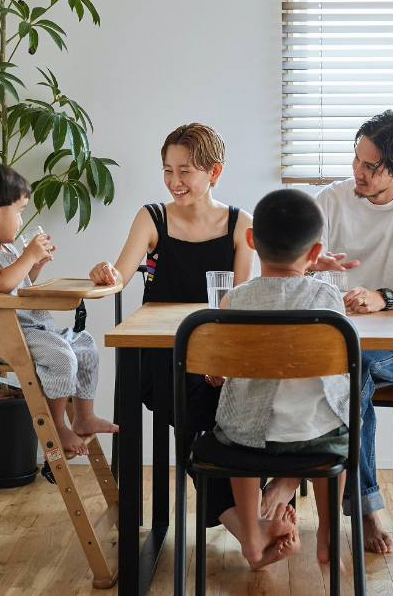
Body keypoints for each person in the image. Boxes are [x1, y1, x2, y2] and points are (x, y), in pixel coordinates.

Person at [262, 110, 393, 554]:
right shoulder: (330, 199)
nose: (357, 171)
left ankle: (340, 497)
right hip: (332, 340)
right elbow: (295, 260)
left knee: (354, 367)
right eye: (356, 158)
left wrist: (383, 298)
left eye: (370, 166)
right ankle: (354, 502)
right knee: (327, 362)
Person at [89, 123, 254, 525]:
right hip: (163, 356)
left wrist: (222, 362)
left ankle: (247, 519)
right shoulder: (152, 218)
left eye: (185, 171)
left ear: (214, 172)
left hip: (216, 356)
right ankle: (246, 521)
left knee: (238, 408)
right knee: (199, 406)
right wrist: (106, 272)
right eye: (167, 170)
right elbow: (120, 275)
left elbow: (242, 305)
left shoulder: (239, 223)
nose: (173, 181)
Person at [213, 188, 350, 570]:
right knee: (340, 430)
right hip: (315, 435)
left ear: (251, 239)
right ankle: (326, 535)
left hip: (249, 439)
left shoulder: (235, 300)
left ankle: (253, 540)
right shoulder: (328, 299)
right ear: (315, 252)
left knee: (238, 428)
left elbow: (221, 366)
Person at [0, 163, 118, 456]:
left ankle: (83, 416)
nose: (21, 220)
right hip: (6, 336)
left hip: (30, 329)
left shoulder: (5, 250)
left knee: (85, 345)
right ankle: (57, 424)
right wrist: (28, 255)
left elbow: (19, 286)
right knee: (62, 357)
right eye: (19, 212)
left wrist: (34, 265)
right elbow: (2, 284)